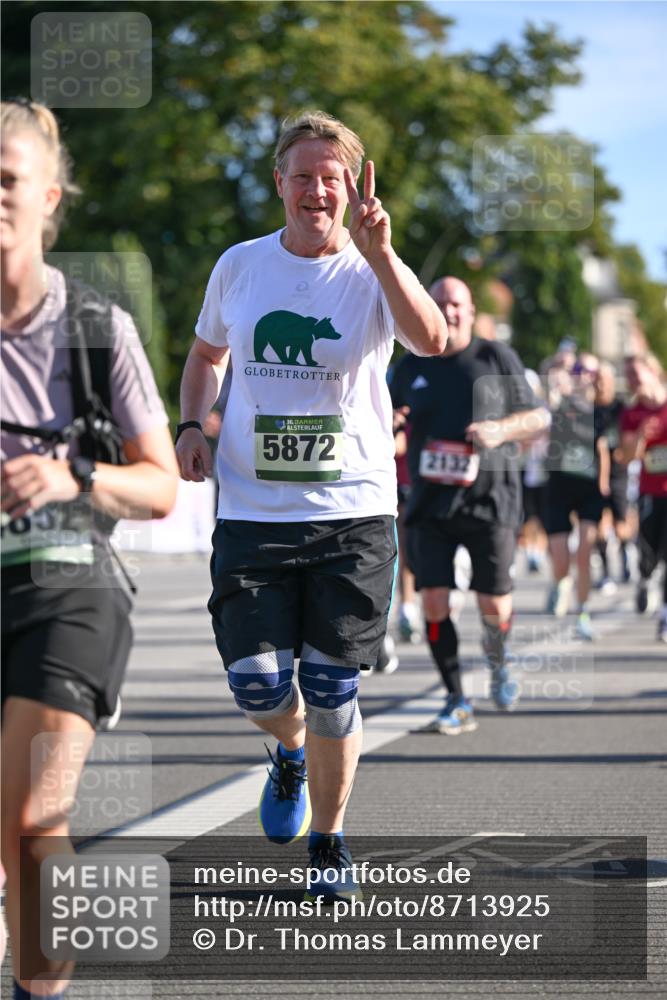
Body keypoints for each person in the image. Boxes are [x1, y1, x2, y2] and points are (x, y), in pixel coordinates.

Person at [176, 111, 446, 899]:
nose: (316, 190)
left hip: (352, 511)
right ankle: (286, 749)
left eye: (332, 176)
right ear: (279, 183)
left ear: (353, 186)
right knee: (259, 684)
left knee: (333, 689)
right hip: (253, 513)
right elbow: (204, 356)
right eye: (302, 175)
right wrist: (192, 422)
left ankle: (328, 841)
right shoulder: (240, 266)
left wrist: (384, 252)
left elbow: (429, 339)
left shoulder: (371, 270)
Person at [0, 100, 178, 999]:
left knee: (34, 817)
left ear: (48, 197)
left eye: (6, 179)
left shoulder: (97, 327)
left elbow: (160, 486)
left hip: (69, 585)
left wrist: (73, 477)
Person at [390, 276, 548, 734]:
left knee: (493, 606)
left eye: (456, 303)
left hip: (490, 498)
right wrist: (394, 428)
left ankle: (498, 661)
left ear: (472, 311)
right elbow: (393, 426)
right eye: (439, 303)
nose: (449, 311)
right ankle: (456, 697)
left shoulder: (494, 357)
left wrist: (500, 431)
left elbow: (537, 416)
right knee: (434, 603)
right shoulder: (410, 364)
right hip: (431, 501)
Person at [544, 351, 609, 640]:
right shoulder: (558, 401)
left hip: (589, 490)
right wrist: (557, 371)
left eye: (590, 372)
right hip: (558, 487)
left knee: (584, 552)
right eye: (579, 370)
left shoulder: (603, 411)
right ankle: (560, 583)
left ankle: (582, 613)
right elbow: (545, 396)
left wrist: (606, 485)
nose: (584, 376)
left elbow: (605, 450)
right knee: (561, 560)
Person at [620, 354, 667, 642]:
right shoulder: (632, 413)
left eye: (637, 374)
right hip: (650, 492)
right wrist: (639, 436)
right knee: (648, 552)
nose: (633, 381)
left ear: (653, 371)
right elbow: (625, 457)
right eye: (629, 377)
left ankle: (664, 615)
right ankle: (644, 578)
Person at [593, 361, 633, 589]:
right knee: (598, 524)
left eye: (604, 380)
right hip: (595, 471)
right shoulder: (590, 408)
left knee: (620, 523)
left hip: (618, 472)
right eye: (597, 379)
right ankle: (606, 571)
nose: (600, 385)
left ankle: (626, 554)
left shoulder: (621, 407)